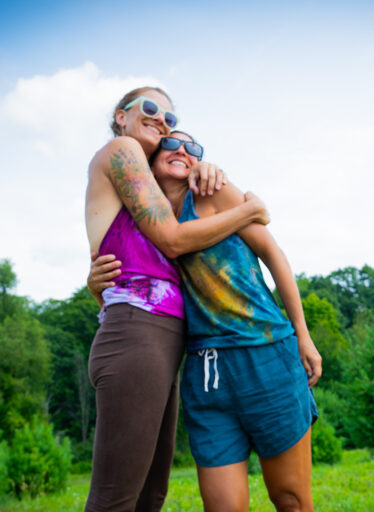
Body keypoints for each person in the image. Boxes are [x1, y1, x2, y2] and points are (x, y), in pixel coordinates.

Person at [89, 130, 322, 511]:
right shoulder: (142, 222)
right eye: (171, 143)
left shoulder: (213, 192)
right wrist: (93, 282)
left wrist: (303, 334)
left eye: (193, 147)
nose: (182, 149)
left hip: (265, 352)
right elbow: (130, 282)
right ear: (149, 161)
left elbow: (273, 253)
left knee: (291, 499)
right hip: (205, 371)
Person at [84, 87, 269, 512]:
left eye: (170, 118)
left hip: (161, 341)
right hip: (138, 336)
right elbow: (170, 240)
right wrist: (249, 210)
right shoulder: (122, 149)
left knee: (149, 496)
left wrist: (203, 170)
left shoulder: (149, 184)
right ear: (120, 116)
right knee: (116, 499)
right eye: (150, 108)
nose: (162, 120)